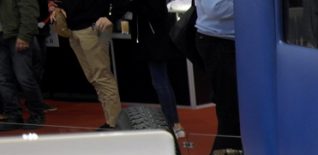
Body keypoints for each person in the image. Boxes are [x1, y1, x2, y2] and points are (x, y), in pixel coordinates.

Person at [50, 0, 129, 129]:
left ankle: (114, 123)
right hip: (74, 30)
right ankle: (111, 121)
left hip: (91, 28)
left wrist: (111, 16)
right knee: (95, 78)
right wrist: (62, 8)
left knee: (102, 77)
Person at [130, 0, 182, 136]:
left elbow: (155, 12)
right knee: (162, 81)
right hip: (155, 38)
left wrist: (135, 4)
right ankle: (174, 123)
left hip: (154, 40)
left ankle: (172, 124)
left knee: (160, 82)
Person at [194, 0, 236, 151]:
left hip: (231, 41)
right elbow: (215, 9)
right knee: (230, 110)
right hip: (219, 41)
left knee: (235, 108)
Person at [0, 0, 45, 130]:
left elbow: (29, 10)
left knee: (24, 78)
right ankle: (13, 115)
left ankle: (37, 114)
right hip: (4, 34)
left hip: (16, 34)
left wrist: (25, 35)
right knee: (3, 79)